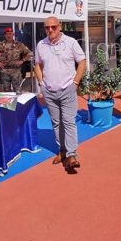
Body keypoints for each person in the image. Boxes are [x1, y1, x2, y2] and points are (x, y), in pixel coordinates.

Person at [34, 16, 87, 170]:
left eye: (53, 27)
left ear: (60, 27)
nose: (50, 30)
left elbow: (82, 62)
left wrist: (75, 82)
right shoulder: (41, 45)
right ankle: (62, 151)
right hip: (49, 91)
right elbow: (37, 65)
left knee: (69, 122)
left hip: (67, 89)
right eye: (47, 28)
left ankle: (72, 155)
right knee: (56, 123)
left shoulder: (71, 42)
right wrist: (41, 83)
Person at [0, 27, 32, 92]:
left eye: (10, 34)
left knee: (17, 91)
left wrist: (22, 60)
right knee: (5, 92)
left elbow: (30, 53)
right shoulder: (0, 45)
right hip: (4, 72)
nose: (9, 36)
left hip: (16, 72)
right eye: (7, 34)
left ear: (13, 34)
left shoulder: (19, 45)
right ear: (5, 35)